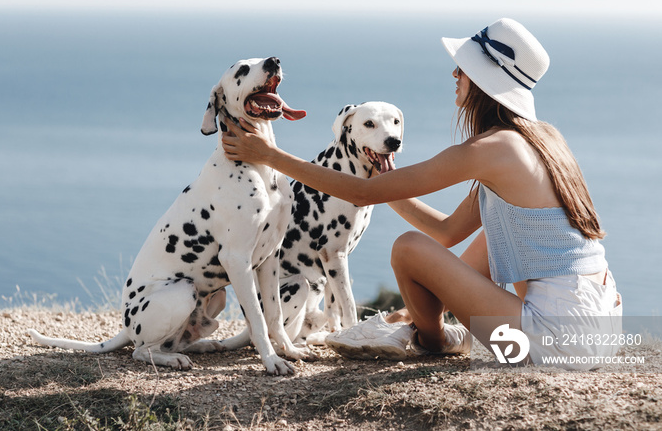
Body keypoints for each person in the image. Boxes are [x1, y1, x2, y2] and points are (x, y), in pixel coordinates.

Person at [221, 18, 622, 368]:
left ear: (484, 83)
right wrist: (387, 178)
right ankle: (416, 323)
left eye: (463, 69)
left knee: (408, 248)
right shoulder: (541, 139)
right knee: (492, 233)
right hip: (600, 323)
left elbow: (360, 194)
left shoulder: (492, 149)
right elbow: (448, 233)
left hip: (558, 340)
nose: (454, 75)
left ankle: (434, 339)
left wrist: (270, 156)